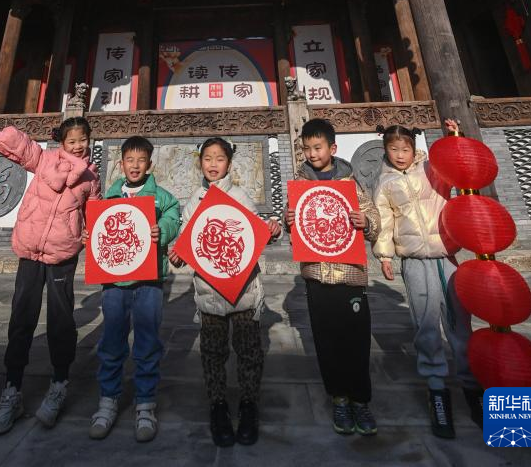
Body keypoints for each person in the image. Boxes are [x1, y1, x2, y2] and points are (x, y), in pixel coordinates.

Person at [0, 116, 100, 434]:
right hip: (30, 251)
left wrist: (92, 232)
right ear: (61, 142)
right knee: (21, 320)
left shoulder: (90, 177)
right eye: (72, 141)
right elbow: (23, 146)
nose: (78, 146)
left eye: (82, 140)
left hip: (61, 255)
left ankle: (59, 384)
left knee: (61, 321)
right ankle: (12, 391)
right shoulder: (44, 160)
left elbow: (95, 211)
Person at [169, 137, 282, 448]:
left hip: (243, 289)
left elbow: (256, 230)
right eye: (207, 158)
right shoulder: (194, 202)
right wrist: (177, 254)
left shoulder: (239, 196)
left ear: (229, 163)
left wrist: (272, 230)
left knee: (249, 350)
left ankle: (248, 405)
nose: (213, 164)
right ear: (200, 163)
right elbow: (186, 241)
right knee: (212, 351)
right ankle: (217, 406)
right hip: (209, 293)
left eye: (220, 158)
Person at [373, 119, 482, 439]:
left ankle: (472, 387)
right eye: (393, 149)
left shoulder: (432, 169)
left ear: (414, 148)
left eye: (405, 149)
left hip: (446, 254)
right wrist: (384, 255)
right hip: (413, 261)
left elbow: (459, 166)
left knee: (459, 321)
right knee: (425, 324)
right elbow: (384, 221)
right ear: (385, 151)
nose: (400, 155)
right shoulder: (384, 183)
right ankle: (437, 391)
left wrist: (453, 136)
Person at [285, 118, 381, 437]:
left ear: (332, 148)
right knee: (326, 340)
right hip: (316, 275)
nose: (312, 154)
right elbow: (294, 232)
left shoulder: (351, 184)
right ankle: (339, 398)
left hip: (350, 275)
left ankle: (360, 399)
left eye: (318, 147)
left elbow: (374, 219)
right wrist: (289, 221)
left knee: (356, 340)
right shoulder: (299, 185)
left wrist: (366, 221)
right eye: (307, 149)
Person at [90, 136, 180, 444]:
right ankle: (108, 399)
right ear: (121, 163)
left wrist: (162, 230)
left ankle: (145, 403)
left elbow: (173, 219)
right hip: (114, 283)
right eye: (130, 160)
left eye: (141, 160)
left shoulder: (161, 197)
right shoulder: (110, 196)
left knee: (147, 341)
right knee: (111, 340)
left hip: (149, 281)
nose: (135, 165)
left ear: (149, 165)